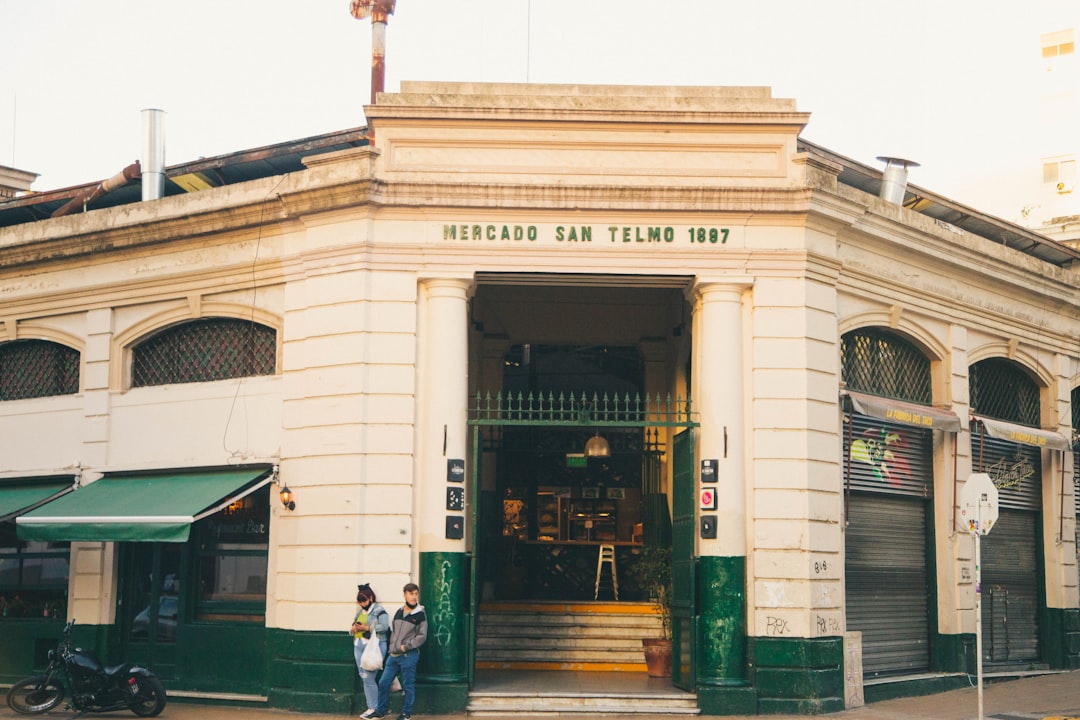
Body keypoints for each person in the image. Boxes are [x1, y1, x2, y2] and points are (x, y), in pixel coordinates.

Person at [371, 582, 427, 720]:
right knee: (384, 682)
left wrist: (405, 646)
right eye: (411, 594)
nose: (414, 597)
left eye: (415, 594)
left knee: (408, 685)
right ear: (405, 595)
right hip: (393, 655)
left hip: (408, 655)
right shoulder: (399, 612)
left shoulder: (420, 614)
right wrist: (392, 648)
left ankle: (406, 713)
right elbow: (395, 632)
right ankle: (381, 711)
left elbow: (422, 636)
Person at [352, 584, 390, 719]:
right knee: (364, 677)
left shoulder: (379, 610)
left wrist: (368, 627)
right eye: (360, 601)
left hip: (374, 647)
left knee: (369, 678)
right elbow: (353, 627)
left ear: (371, 598)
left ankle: (375, 708)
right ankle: (371, 707)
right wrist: (354, 629)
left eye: (365, 600)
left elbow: (384, 627)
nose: (363, 604)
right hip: (359, 646)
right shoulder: (359, 613)